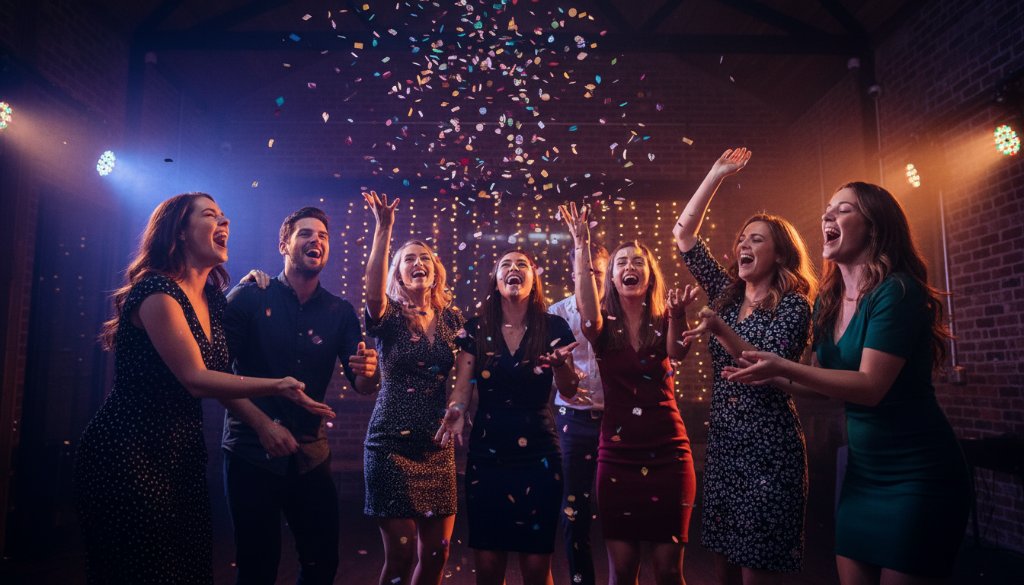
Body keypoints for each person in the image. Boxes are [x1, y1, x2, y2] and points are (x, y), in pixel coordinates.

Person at [74, 193, 334, 585]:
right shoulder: (156, 292)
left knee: (187, 569)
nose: (224, 223)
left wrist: (252, 284)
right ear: (178, 233)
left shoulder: (213, 298)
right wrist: (278, 386)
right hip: (131, 448)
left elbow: (221, 365)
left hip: (181, 452)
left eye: (225, 217)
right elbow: (196, 378)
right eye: (211, 215)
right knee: (139, 570)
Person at [724, 182, 971, 585]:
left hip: (918, 474)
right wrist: (773, 375)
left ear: (873, 227)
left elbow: (871, 386)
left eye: (843, 210)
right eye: (827, 211)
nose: (827, 217)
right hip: (863, 474)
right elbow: (823, 386)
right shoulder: (829, 300)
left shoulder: (897, 291)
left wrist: (784, 366)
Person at [672, 148, 816, 585]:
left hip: (770, 449)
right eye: (741, 239)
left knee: (756, 570)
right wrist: (715, 174)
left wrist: (719, 330)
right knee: (723, 568)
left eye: (757, 239)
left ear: (779, 253)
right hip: (726, 447)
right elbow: (683, 235)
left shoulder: (793, 306)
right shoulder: (727, 293)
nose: (743, 245)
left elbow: (760, 365)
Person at [220, 206, 379, 585]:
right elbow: (214, 376)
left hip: (310, 453)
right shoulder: (248, 297)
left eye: (323, 236)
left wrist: (371, 374)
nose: (317, 240)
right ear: (284, 244)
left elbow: (363, 387)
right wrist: (262, 426)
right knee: (257, 566)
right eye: (306, 233)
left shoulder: (340, 311)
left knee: (321, 564)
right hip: (250, 450)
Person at [560, 202, 699, 585]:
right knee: (622, 571)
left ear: (651, 274)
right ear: (611, 277)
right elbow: (587, 313)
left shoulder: (664, 316)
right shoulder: (603, 328)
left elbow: (677, 352)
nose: (629, 267)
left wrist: (680, 316)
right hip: (618, 454)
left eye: (638, 261)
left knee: (669, 571)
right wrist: (581, 245)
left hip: (670, 451)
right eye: (621, 262)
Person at [437, 249, 580, 585]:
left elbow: (570, 389)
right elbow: (463, 385)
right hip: (488, 454)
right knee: (487, 565)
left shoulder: (554, 326)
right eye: (505, 264)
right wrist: (456, 410)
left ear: (534, 279)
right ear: (496, 280)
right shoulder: (475, 328)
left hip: (539, 454)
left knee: (535, 565)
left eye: (522, 265)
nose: (513, 269)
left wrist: (560, 366)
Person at [362, 192, 465, 585]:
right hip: (390, 445)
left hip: (436, 446)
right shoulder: (386, 315)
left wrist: (460, 404)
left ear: (436, 271)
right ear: (398, 272)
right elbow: (372, 292)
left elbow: (469, 372)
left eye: (425, 258)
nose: (418, 263)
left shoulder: (453, 319)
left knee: (437, 555)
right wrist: (383, 229)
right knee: (401, 557)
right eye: (409, 259)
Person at [548, 241, 610, 585]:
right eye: (583, 272)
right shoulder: (557, 314)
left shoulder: (622, 309)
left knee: (619, 506)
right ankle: (581, 579)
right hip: (572, 417)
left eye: (597, 272)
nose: (590, 278)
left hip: (618, 420)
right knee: (574, 509)